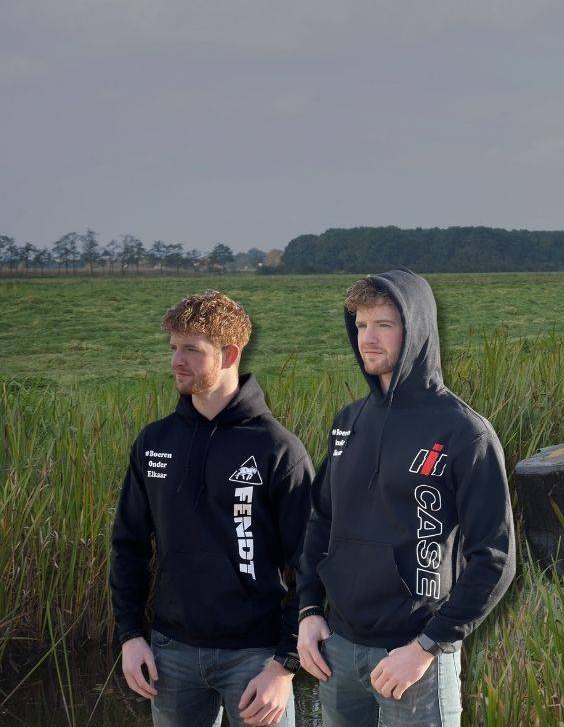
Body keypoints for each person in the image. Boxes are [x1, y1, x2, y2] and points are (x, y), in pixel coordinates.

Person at [295, 270, 515, 726]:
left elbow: (495, 559)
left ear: (416, 330)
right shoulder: (348, 421)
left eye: (384, 325)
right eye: (360, 325)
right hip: (338, 651)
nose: (368, 339)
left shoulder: (463, 431)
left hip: (413, 660)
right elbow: (321, 523)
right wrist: (309, 610)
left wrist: (427, 646)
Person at [110, 292, 312, 727]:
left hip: (256, 659)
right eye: (173, 348)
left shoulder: (278, 450)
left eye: (191, 350)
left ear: (230, 354)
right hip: (171, 654)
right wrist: (130, 635)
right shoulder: (155, 442)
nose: (176, 361)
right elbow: (128, 544)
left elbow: (314, 564)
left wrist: (284, 665)